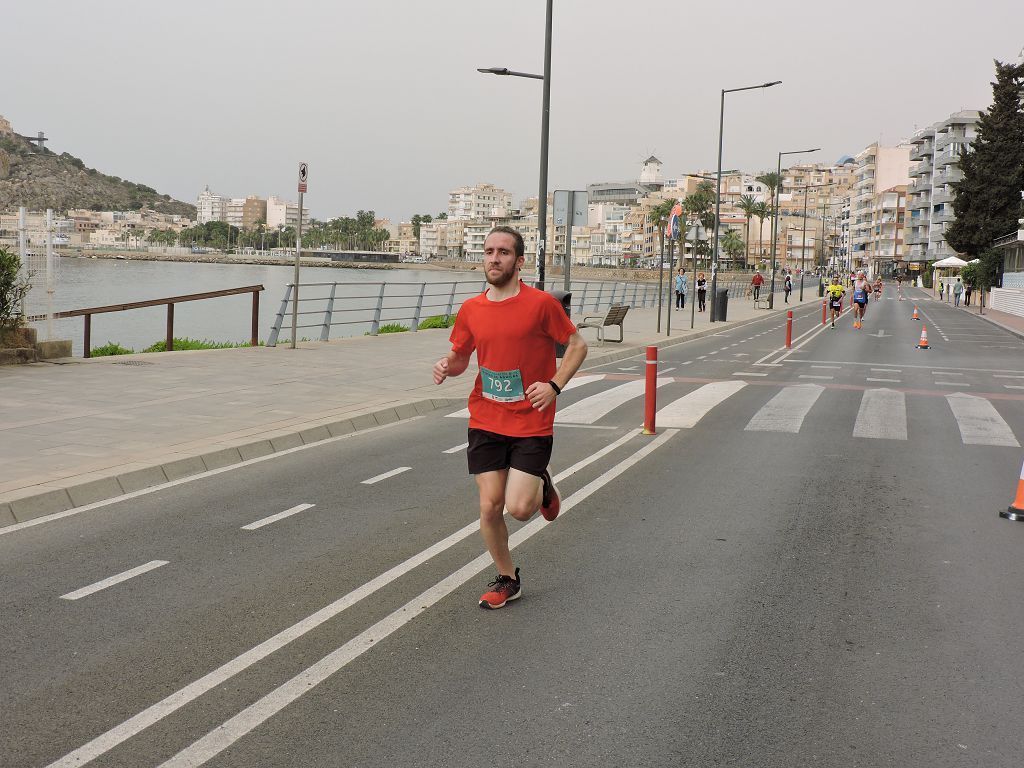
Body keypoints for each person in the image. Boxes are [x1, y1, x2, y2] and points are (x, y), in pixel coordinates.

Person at [433, 226, 588, 609]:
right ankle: (507, 578)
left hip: (531, 420)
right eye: (488, 251)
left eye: (503, 252)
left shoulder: (541, 305)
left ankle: (541, 484)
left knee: (519, 509)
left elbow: (577, 345)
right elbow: (461, 358)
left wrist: (554, 385)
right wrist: (446, 366)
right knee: (489, 506)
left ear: (519, 261)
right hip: (486, 417)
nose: (493, 258)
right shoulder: (471, 309)